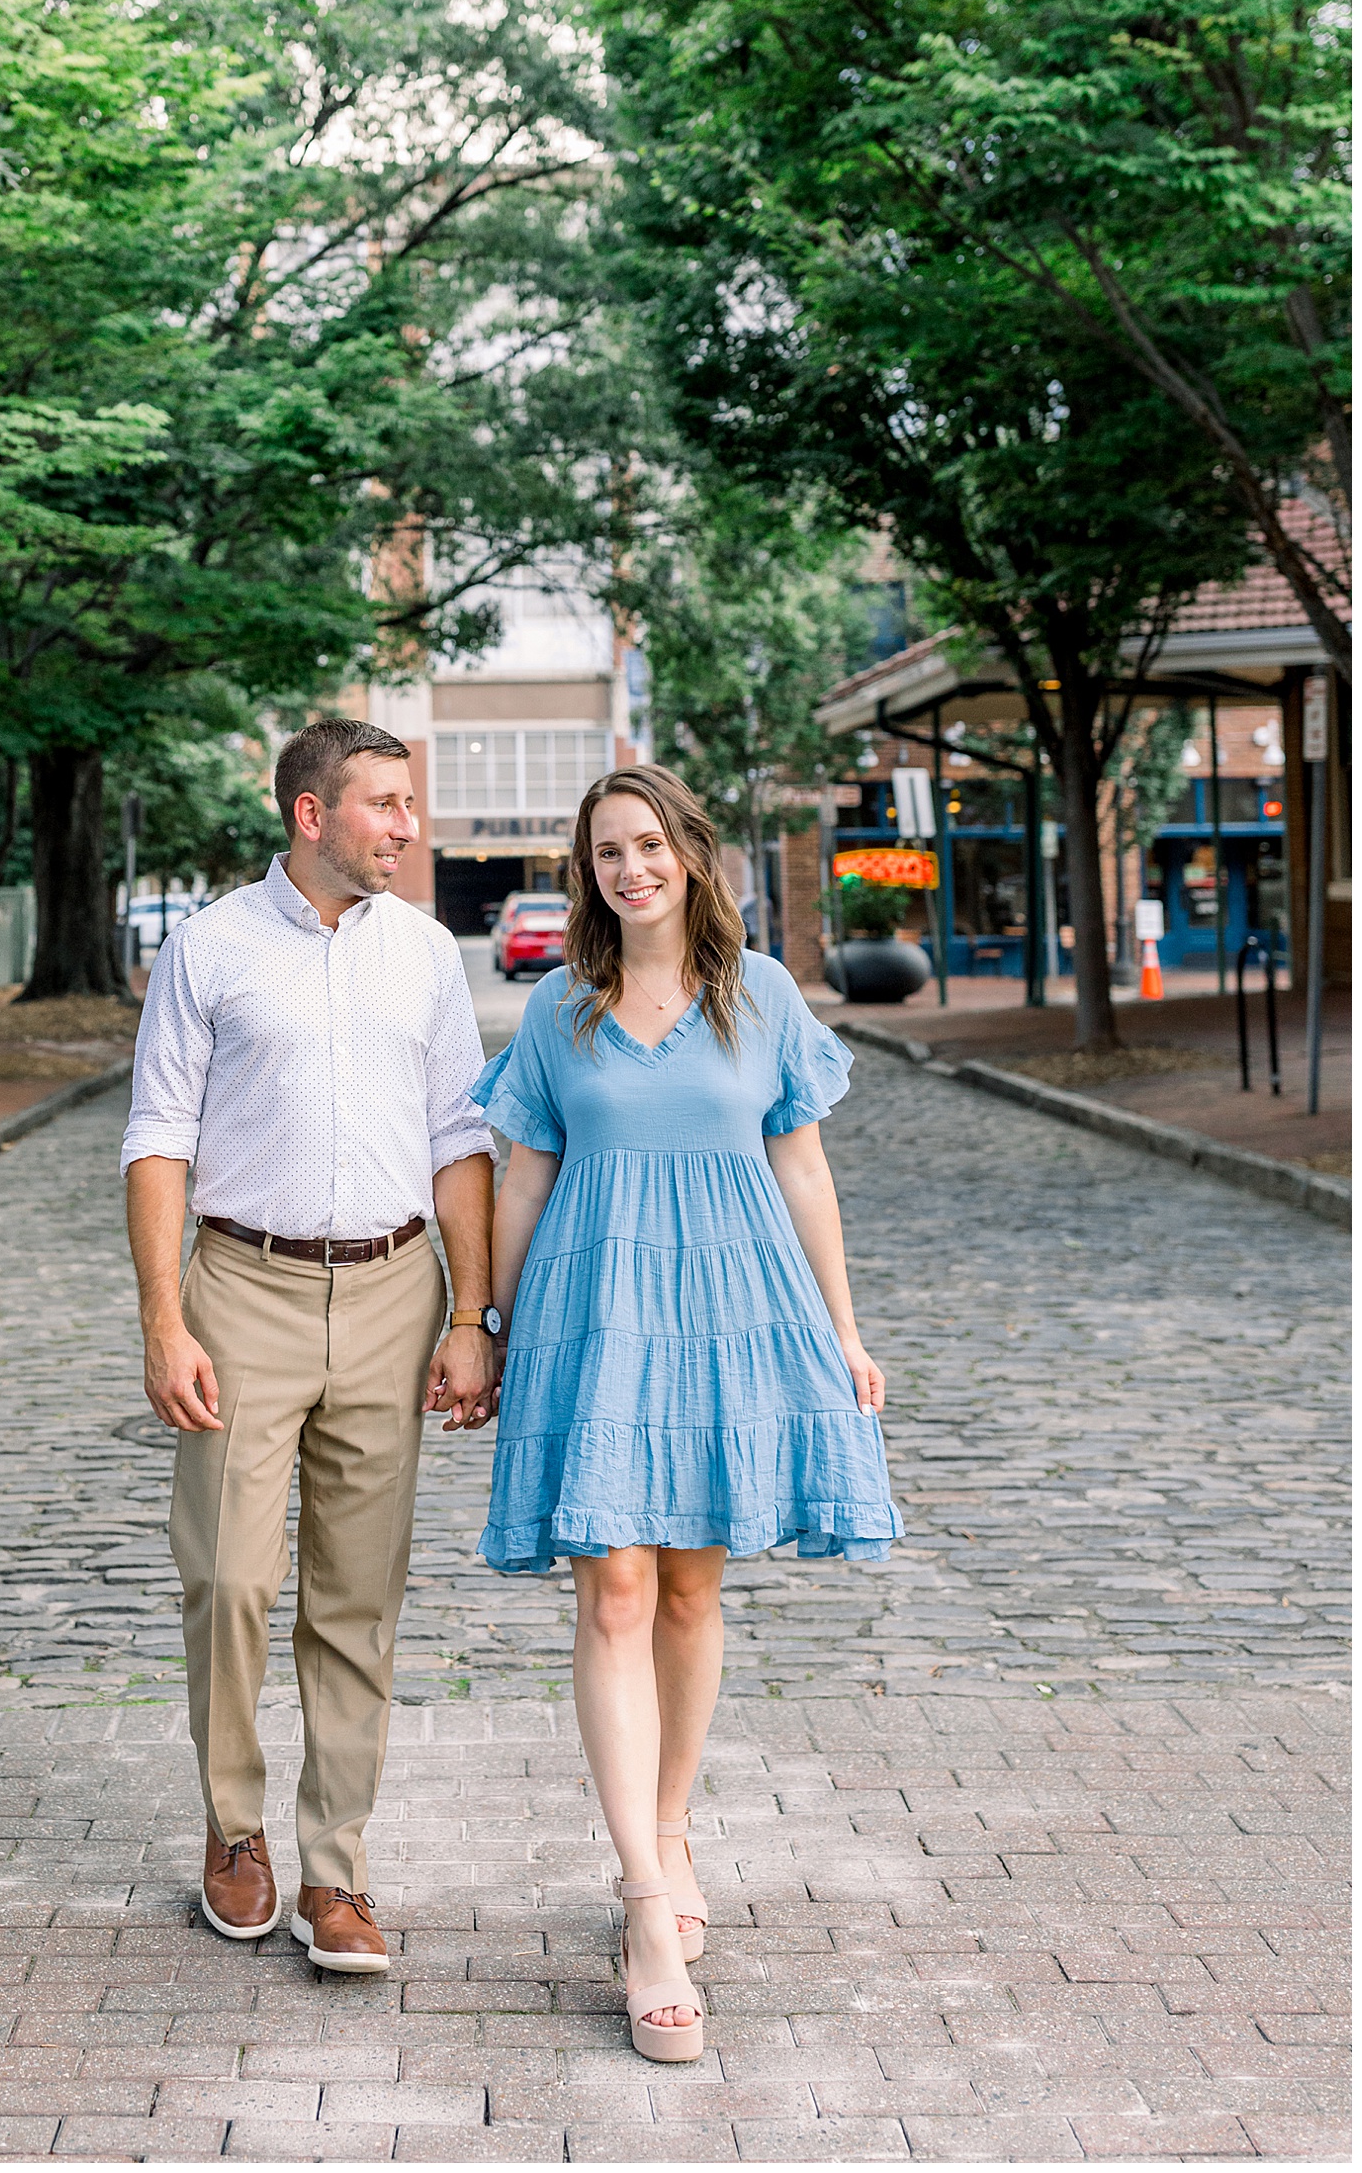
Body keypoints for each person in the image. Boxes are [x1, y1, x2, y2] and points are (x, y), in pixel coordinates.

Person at [471, 764, 901, 2063]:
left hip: (729, 1307)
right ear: (586, 869)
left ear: (690, 854)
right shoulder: (558, 1008)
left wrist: (842, 1327)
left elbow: (804, 1166)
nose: (629, 867)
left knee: (693, 1593)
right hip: (595, 1314)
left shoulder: (760, 994)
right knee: (613, 1584)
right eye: (607, 850)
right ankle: (646, 1905)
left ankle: (667, 1824)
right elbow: (522, 1175)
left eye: (648, 843)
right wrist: (487, 1328)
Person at [123, 717, 499, 1977]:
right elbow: (157, 1135)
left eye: (409, 802)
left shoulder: (427, 953)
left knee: (357, 1595)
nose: (406, 824)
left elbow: (460, 1139)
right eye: (383, 804)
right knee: (228, 1574)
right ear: (310, 814)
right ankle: (235, 1828)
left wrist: (468, 1312)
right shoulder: (211, 945)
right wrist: (164, 1316)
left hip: (396, 1288)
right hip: (243, 1286)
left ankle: (336, 1867)